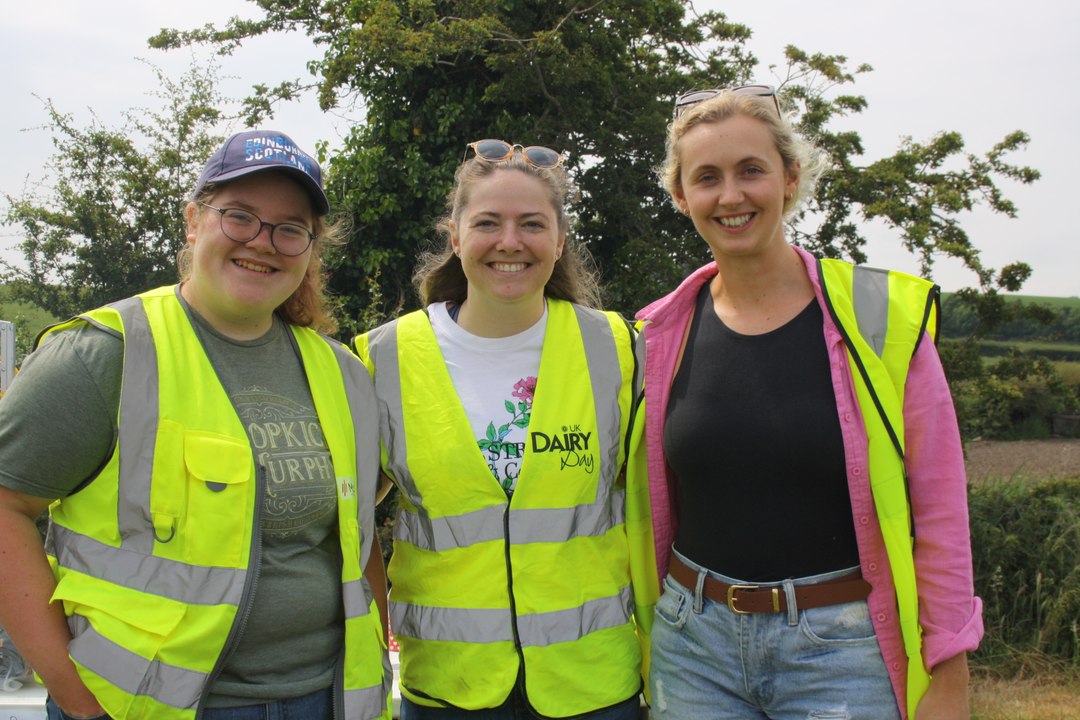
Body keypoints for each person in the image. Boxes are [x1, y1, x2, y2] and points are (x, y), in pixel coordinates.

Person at [0, 130, 392, 720]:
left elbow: (357, 542)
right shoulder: (105, 354)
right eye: (239, 217)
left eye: (290, 229)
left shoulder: (344, 374)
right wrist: (79, 700)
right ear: (192, 221)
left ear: (310, 248)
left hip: (326, 699)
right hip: (144, 706)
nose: (264, 242)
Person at [627, 86, 984, 719]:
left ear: (790, 179)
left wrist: (948, 672)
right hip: (692, 646)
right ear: (682, 196)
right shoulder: (658, 333)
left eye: (751, 171)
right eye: (706, 177)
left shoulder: (879, 314)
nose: (731, 196)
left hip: (841, 654)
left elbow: (940, 512)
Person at [352, 140, 643, 719]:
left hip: (593, 687)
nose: (510, 241)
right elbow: (347, 523)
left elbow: (656, 510)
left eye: (531, 224)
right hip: (445, 689)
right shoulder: (382, 358)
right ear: (455, 237)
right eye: (488, 222)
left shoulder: (619, 348)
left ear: (559, 241)